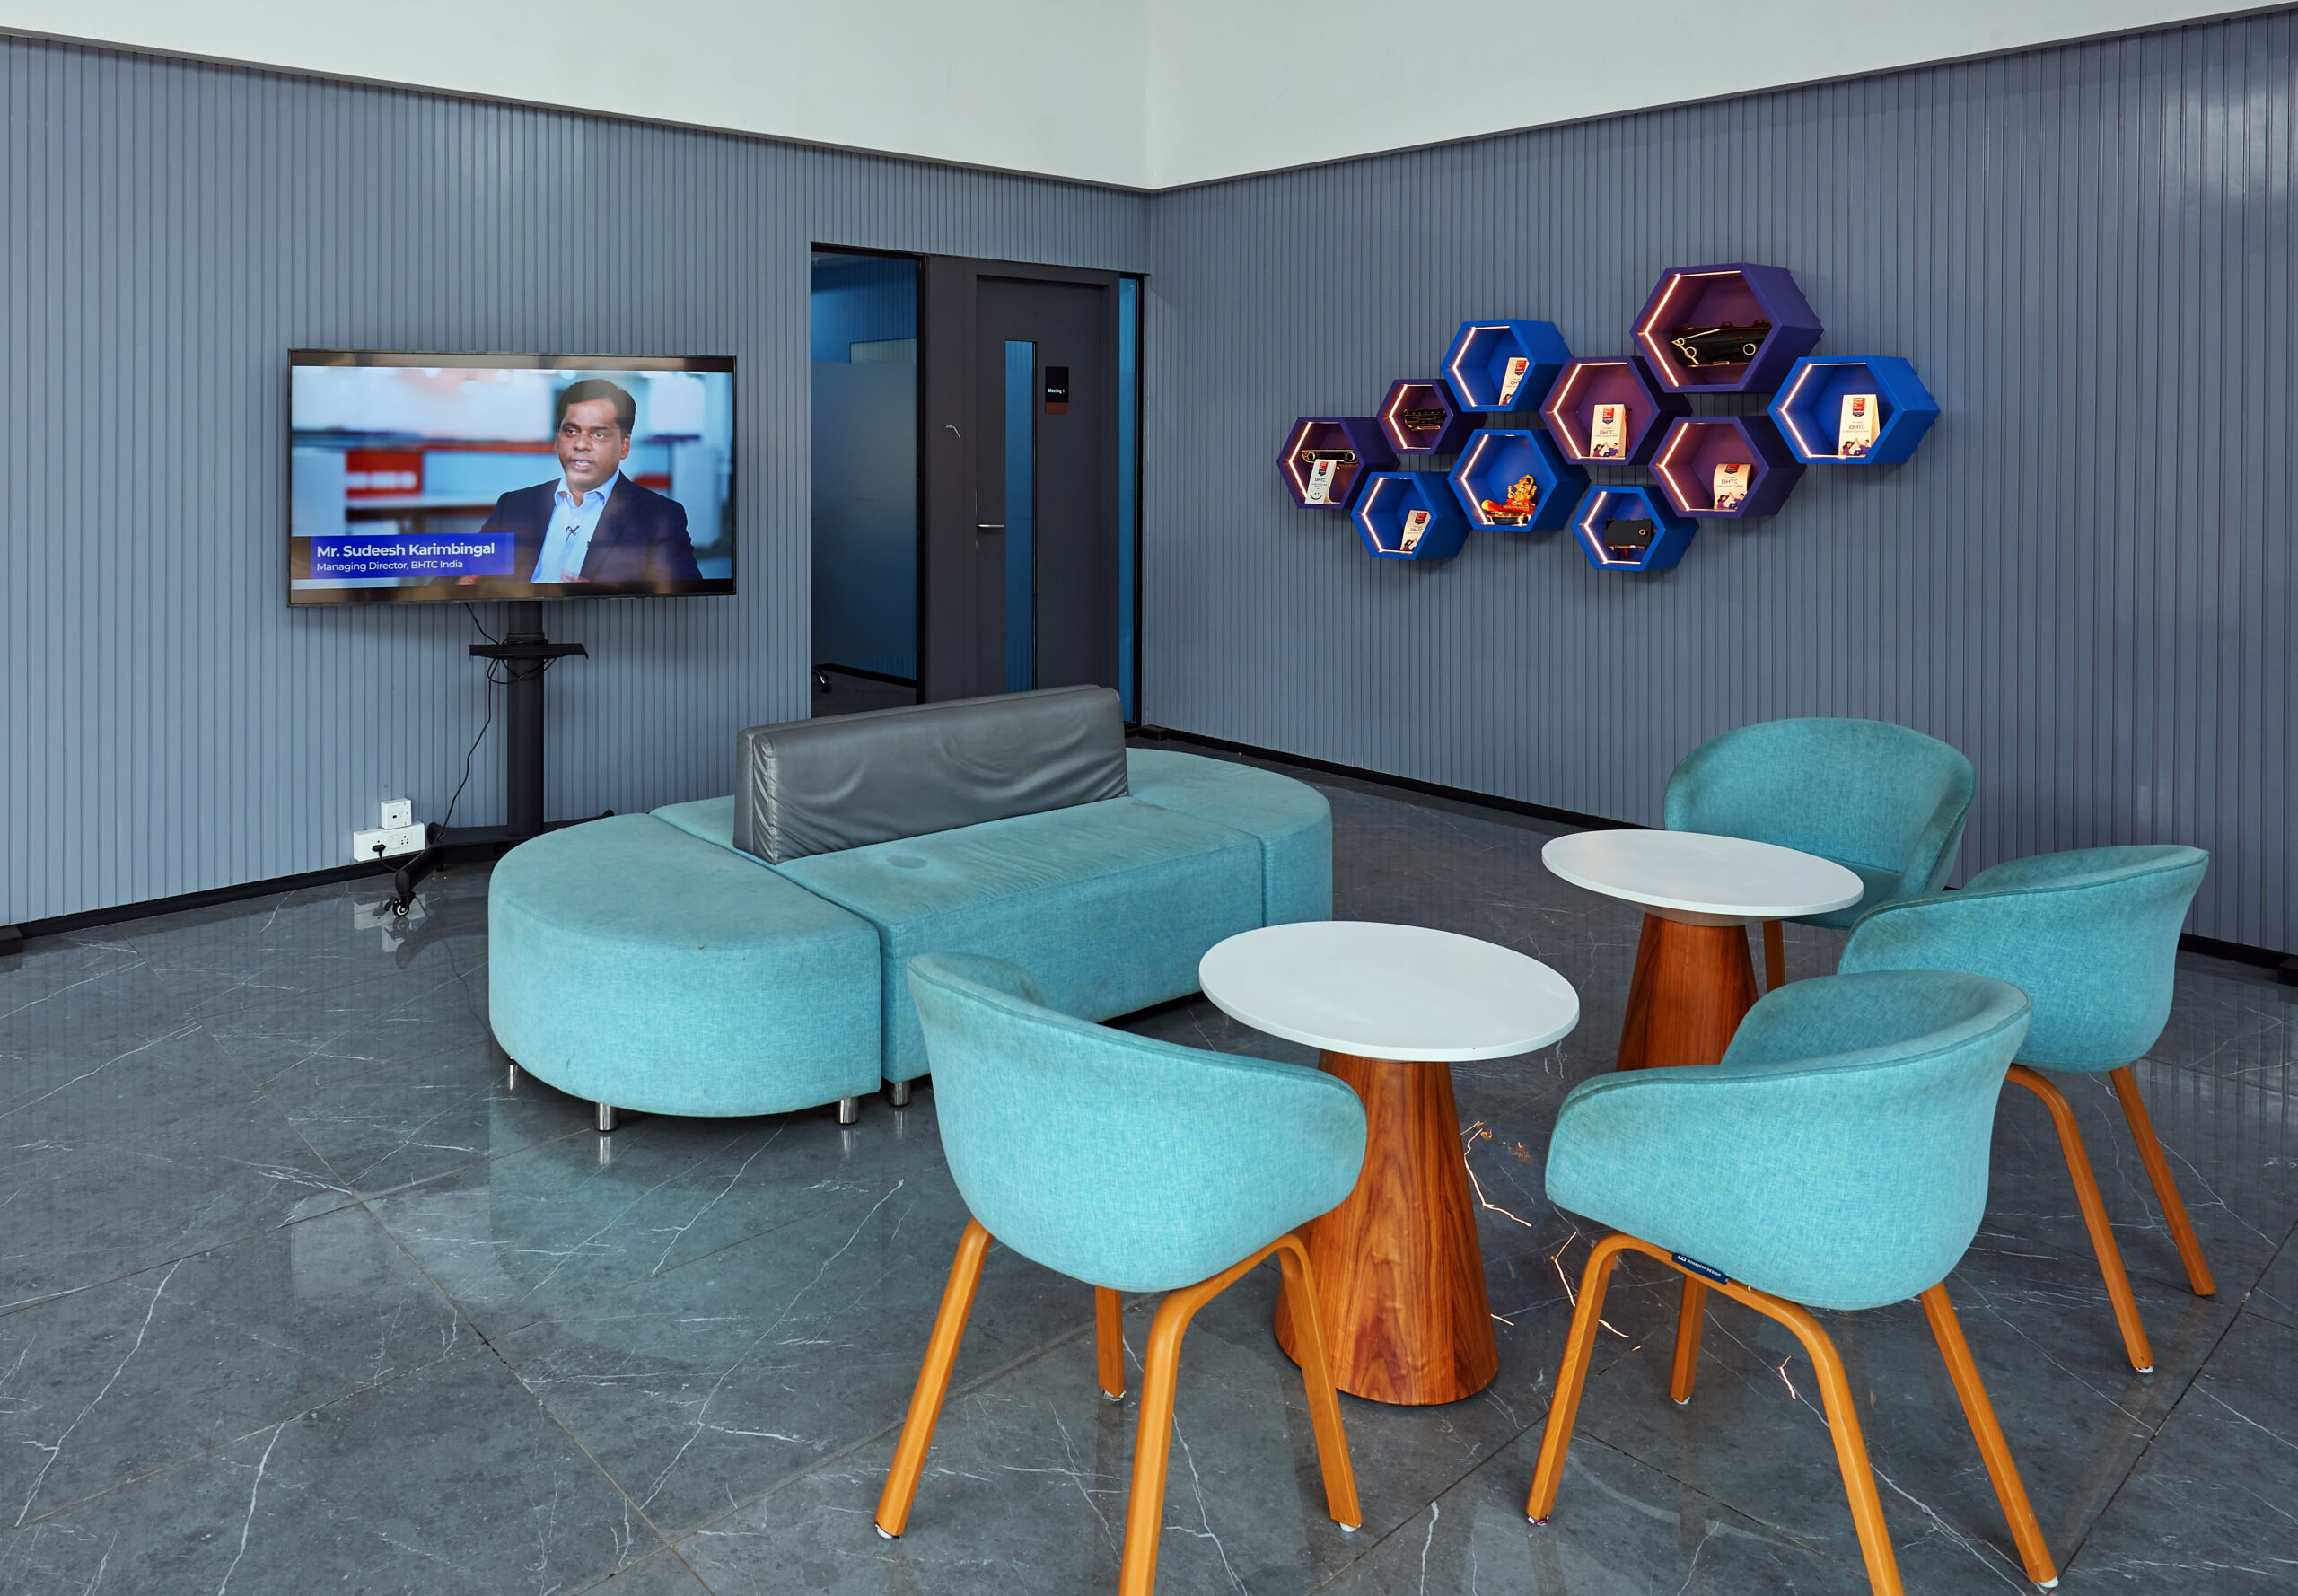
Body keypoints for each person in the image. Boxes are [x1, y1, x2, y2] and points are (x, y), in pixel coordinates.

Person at [479, 379, 702, 584]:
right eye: (571, 431)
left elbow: (683, 598)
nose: (581, 444)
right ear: (557, 439)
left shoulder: (660, 517)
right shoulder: (514, 505)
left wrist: (605, 600)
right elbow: (469, 572)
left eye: (598, 434)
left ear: (624, 447)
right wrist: (466, 577)